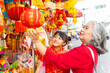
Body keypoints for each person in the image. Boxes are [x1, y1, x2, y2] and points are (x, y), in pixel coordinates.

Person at [29, 21, 108, 73]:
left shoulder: (83, 51)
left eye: (86, 28)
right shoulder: (91, 50)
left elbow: (56, 60)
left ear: (94, 36)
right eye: (83, 27)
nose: (82, 30)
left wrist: (37, 42)